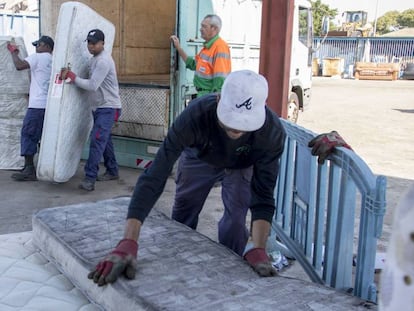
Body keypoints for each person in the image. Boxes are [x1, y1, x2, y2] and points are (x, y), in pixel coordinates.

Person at [88, 70, 286, 286]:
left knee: (236, 220)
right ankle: (176, 263)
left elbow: (263, 195)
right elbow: (155, 175)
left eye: (243, 124)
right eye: (231, 120)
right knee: (184, 210)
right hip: (200, 156)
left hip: (242, 164)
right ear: (219, 99)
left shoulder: (271, 133)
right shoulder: (196, 116)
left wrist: (258, 247)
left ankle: (235, 269)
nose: (237, 128)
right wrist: (129, 240)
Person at [59, 29, 122, 191]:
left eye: (94, 43)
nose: (91, 46)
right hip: (100, 107)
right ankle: (112, 170)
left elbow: (92, 85)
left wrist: (72, 77)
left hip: (108, 107)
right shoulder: (94, 59)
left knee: (97, 140)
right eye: (89, 42)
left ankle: (90, 178)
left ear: (103, 43)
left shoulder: (103, 61)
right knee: (104, 140)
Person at [7, 35, 54, 181]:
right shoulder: (53, 60)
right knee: (40, 137)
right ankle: (36, 167)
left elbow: (19, 66)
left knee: (28, 134)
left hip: (36, 106)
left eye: (38, 45)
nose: (36, 48)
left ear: (46, 46)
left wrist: (14, 53)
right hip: (48, 105)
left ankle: (29, 170)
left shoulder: (38, 57)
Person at [170, 14, 231, 97]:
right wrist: (178, 47)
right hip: (201, 95)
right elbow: (192, 64)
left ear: (214, 29)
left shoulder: (220, 47)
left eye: (204, 26)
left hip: (208, 97)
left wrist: (214, 101)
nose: (200, 29)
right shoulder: (207, 48)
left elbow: (220, 79)